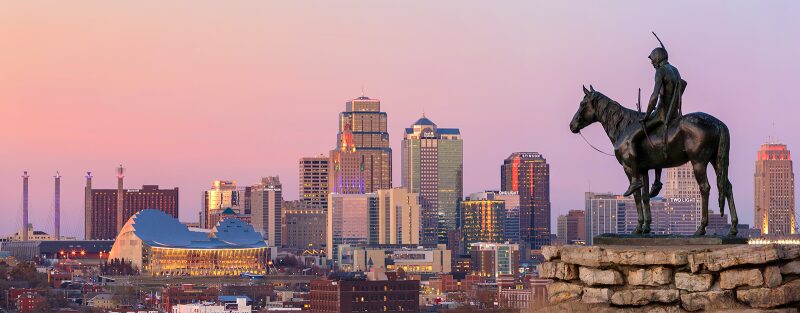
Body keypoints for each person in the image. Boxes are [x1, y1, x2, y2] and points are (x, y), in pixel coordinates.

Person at [621, 41, 687, 197]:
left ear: (658, 58)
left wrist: (646, 115)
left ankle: (636, 179)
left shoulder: (661, 71)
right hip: (674, 114)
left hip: (662, 114)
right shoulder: (675, 70)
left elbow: (654, 96)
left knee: (631, 140)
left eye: (652, 60)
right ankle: (657, 181)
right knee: (654, 140)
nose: (651, 62)